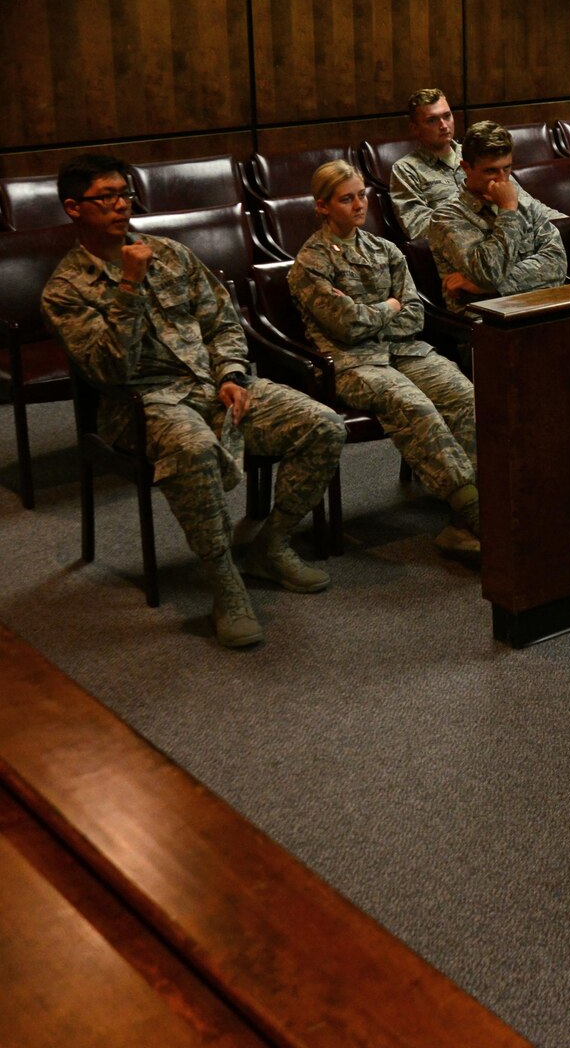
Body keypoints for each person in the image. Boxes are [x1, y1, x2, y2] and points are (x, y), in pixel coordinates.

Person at [42, 155, 345, 649]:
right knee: (194, 449)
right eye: (107, 197)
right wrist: (129, 286)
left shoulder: (170, 254)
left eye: (125, 194)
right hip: (141, 404)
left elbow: (223, 321)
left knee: (323, 424)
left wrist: (230, 373)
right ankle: (225, 582)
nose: (121, 206)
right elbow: (109, 369)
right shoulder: (64, 290)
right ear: (74, 208)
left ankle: (272, 544)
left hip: (209, 386)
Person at [289, 162, 481, 557]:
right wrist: (387, 308)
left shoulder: (385, 250)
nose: (360, 204)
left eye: (362, 195)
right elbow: (345, 326)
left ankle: (471, 515)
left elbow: (413, 314)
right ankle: (473, 512)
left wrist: (377, 313)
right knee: (412, 404)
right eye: (347, 198)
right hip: (352, 364)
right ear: (323, 206)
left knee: (466, 395)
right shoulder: (311, 263)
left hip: (405, 351)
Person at [427, 120, 570, 316]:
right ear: (466, 167)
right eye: (491, 171)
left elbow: (557, 263)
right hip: (488, 324)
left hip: (540, 308)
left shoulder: (518, 193)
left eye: (507, 168)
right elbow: (489, 274)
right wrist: (508, 209)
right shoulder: (446, 217)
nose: (502, 179)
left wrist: (491, 288)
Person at [387, 88, 462, 240]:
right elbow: (419, 228)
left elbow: (518, 202)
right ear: (415, 128)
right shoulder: (406, 170)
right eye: (432, 120)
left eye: (447, 116)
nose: (443, 125)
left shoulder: (477, 154)